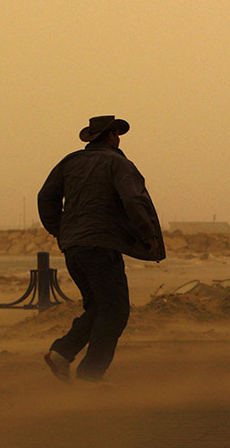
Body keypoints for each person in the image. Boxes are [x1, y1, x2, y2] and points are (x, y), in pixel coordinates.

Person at [38, 115, 165, 383]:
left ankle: (62, 353)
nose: (118, 139)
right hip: (101, 247)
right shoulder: (117, 163)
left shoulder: (69, 163)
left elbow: (45, 197)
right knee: (115, 311)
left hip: (74, 249)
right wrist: (148, 235)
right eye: (117, 134)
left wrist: (61, 230)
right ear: (110, 136)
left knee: (99, 308)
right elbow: (134, 199)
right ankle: (90, 376)